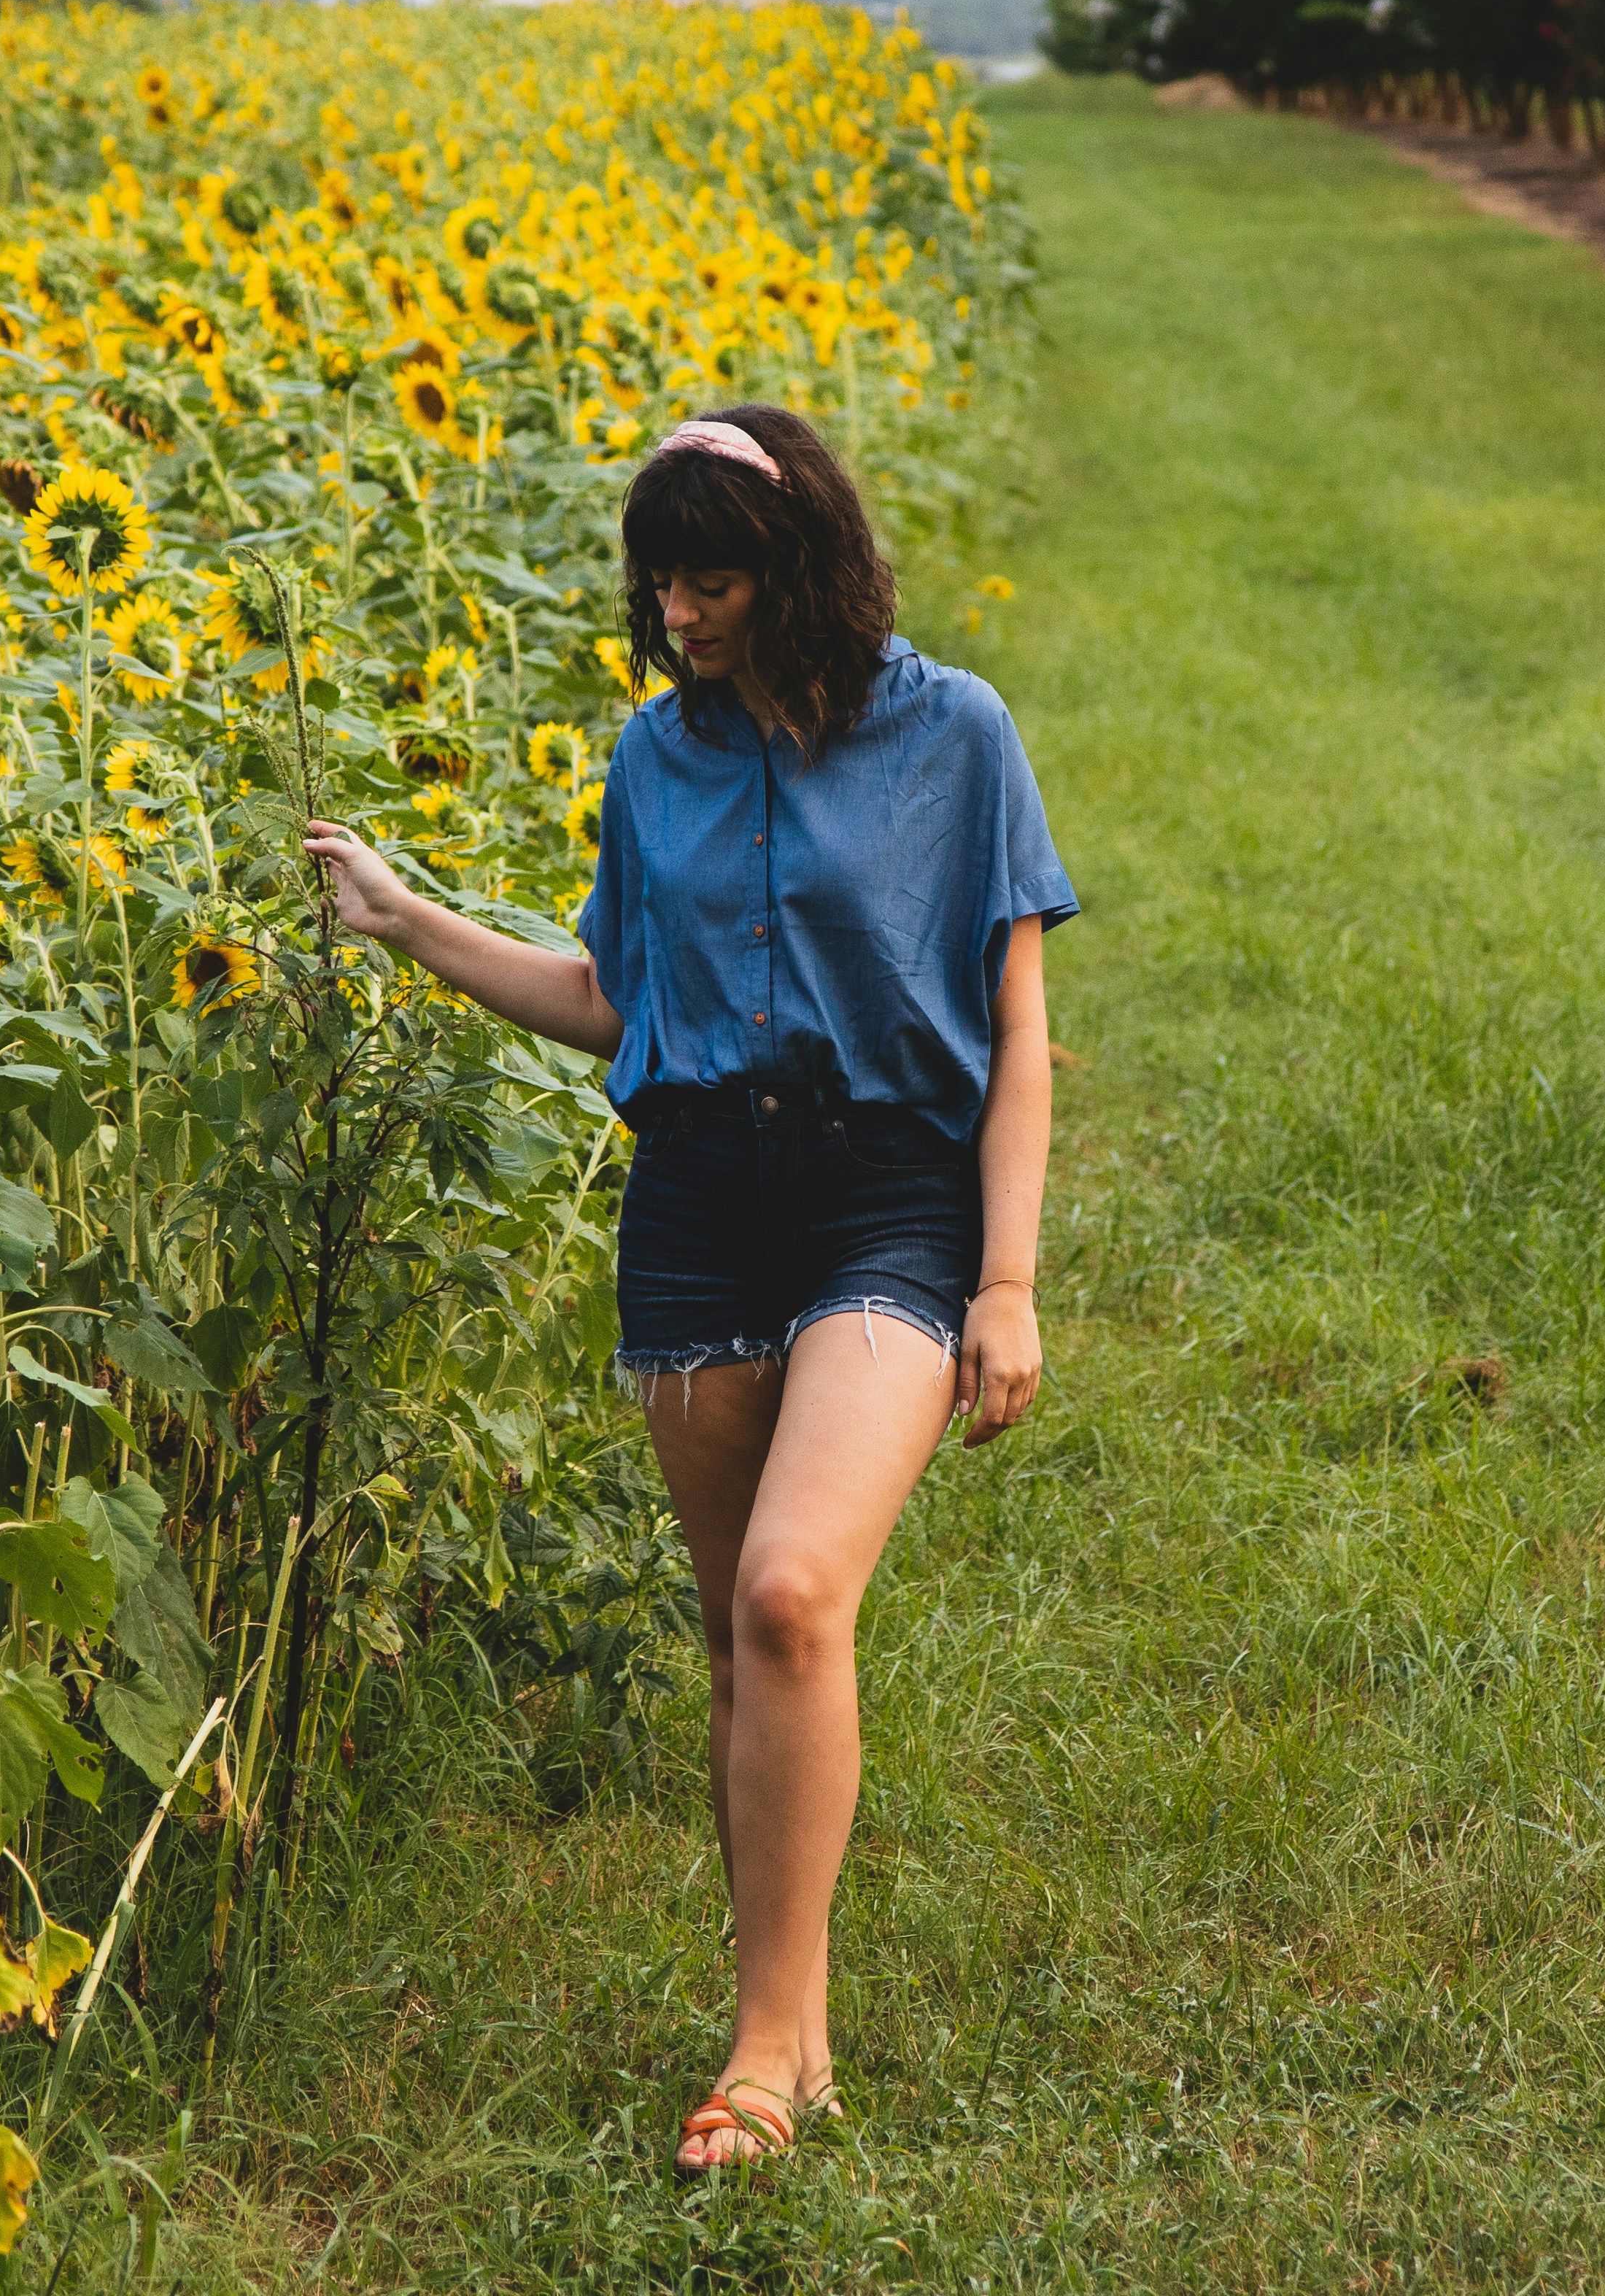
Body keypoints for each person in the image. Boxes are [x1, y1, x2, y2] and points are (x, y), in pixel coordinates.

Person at [302, 402, 1075, 2173]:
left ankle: (766, 2049)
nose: (678, 617)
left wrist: (1009, 1277)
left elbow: (1018, 1026)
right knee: (741, 1639)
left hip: (890, 1198)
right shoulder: (656, 759)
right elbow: (614, 999)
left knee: (800, 1594)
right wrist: (410, 922)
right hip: (701, 1205)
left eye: (711, 579)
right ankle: (785, 2036)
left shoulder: (960, 737)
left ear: (799, 567)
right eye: (660, 585)